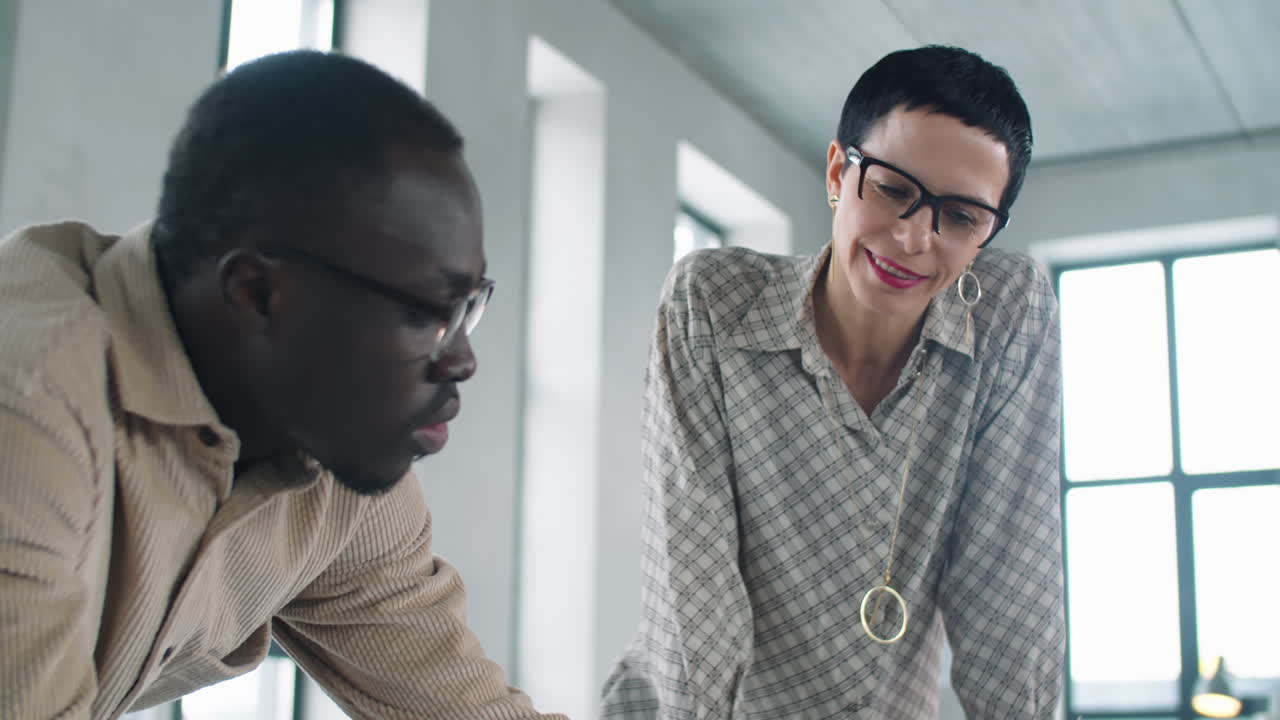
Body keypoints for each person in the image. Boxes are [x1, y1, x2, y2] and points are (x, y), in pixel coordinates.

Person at [0, 51, 564, 719]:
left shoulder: (328, 463)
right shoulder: (28, 399)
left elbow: (463, 707)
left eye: (468, 305)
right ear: (260, 293)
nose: (464, 360)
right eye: (424, 312)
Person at [601, 46, 1064, 718]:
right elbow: (692, 604)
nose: (913, 237)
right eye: (892, 189)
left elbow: (1008, 601)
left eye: (960, 217)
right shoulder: (713, 305)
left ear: (986, 234)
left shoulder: (1006, 318)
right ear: (838, 172)